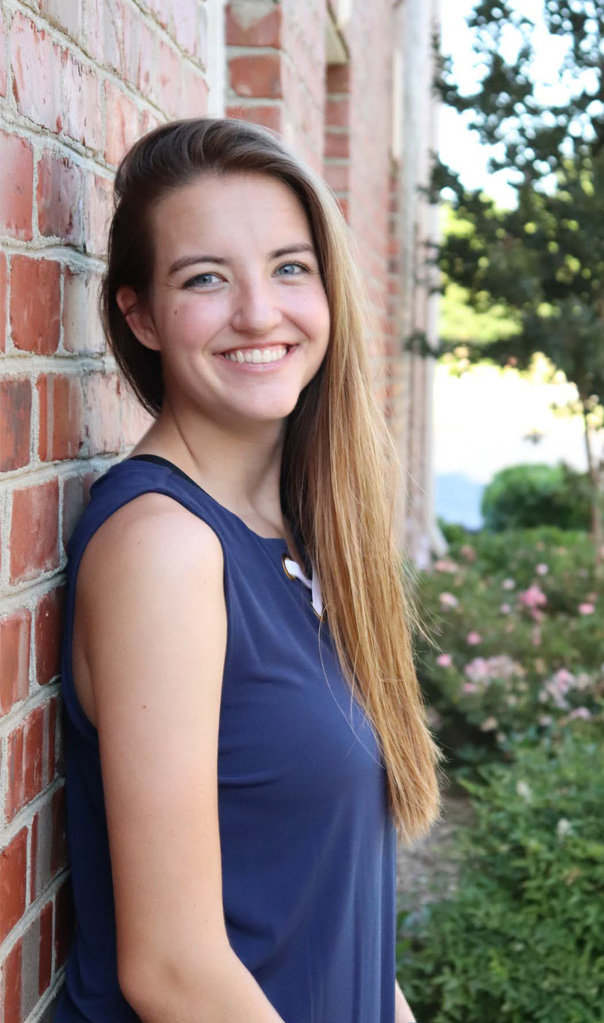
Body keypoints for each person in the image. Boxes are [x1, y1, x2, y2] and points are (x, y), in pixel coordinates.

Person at [52, 117, 445, 1023]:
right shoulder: (166, 548)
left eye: (289, 267)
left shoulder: (307, 538)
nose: (259, 312)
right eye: (204, 279)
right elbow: (175, 969)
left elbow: (328, 914)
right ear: (140, 315)